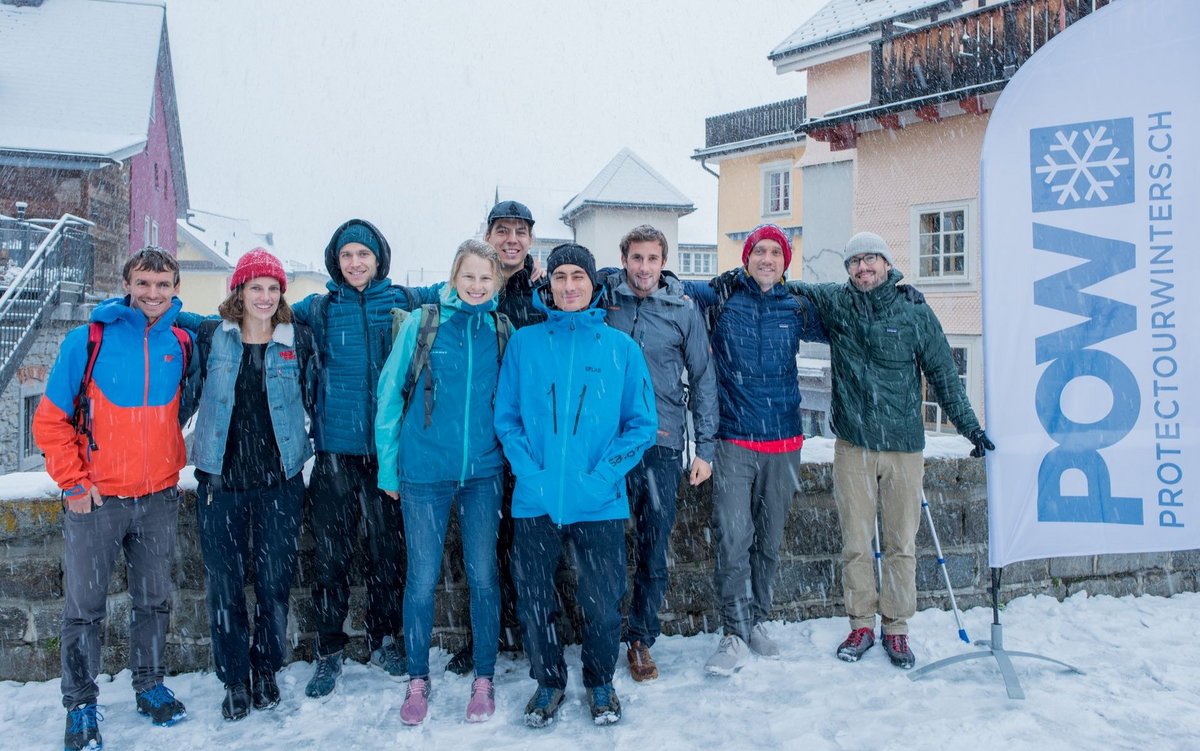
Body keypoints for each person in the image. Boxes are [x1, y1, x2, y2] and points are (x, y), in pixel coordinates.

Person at [790, 231, 993, 669]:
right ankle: (861, 624)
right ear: (848, 269)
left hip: (903, 447)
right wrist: (740, 279)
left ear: (886, 263)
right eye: (855, 261)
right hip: (853, 446)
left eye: (871, 259)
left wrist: (971, 429)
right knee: (856, 543)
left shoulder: (914, 310)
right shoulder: (836, 302)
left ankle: (897, 628)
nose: (863, 268)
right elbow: (788, 288)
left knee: (901, 543)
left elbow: (943, 374)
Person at [34, 247, 194, 751]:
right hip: (98, 501)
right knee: (84, 609)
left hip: (159, 497)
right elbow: (50, 421)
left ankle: (149, 685)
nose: (152, 293)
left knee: (154, 601)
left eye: (163, 284)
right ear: (127, 285)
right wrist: (75, 484)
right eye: (143, 283)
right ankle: (81, 705)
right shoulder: (88, 340)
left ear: (175, 288)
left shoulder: (181, 342)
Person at [494, 243, 656, 728]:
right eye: (560, 276)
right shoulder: (525, 344)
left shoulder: (620, 348)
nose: (568, 286)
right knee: (534, 601)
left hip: (600, 501)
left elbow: (641, 425)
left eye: (578, 277)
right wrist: (531, 472)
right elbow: (507, 419)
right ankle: (548, 682)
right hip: (535, 499)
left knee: (602, 605)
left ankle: (600, 682)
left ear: (593, 285)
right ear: (549, 284)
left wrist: (602, 476)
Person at [291, 219, 439, 696]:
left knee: (388, 556)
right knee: (330, 558)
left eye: (364, 254)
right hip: (334, 453)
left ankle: (383, 638)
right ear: (336, 261)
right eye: (347, 255)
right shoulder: (318, 308)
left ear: (379, 259)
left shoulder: (404, 301)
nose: (355, 263)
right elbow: (257, 308)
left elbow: (461, 289)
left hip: (387, 455)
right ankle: (329, 649)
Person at [375, 240, 513, 725]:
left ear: (497, 282)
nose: (476, 286)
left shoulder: (501, 330)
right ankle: (417, 678)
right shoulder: (423, 324)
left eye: (485, 278)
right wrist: (388, 469)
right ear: (454, 277)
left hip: (483, 474)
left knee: (483, 576)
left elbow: (513, 404)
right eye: (468, 276)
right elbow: (390, 397)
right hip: (424, 474)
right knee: (421, 579)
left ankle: (484, 677)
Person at [684, 224, 828, 676]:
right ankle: (734, 630)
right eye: (759, 251)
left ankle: (758, 620)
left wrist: (897, 295)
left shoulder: (797, 306)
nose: (767, 259)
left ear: (785, 262)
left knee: (768, 539)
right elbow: (663, 285)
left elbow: (847, 313)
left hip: (784, 440)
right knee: (733, 537)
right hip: (733, 440)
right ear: (746, 258)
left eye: (775, 253)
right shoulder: (722, 297)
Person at [188, 249, 318, 719]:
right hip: (220, 483)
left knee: (273, 584)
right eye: (255, 287)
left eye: (273, 288)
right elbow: (161, 314)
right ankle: (234, 679)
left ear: (282, 294)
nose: (264, 297)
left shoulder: (297, 340)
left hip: (279, 484)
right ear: (238, 291)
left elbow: (317, 398)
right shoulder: (212, 337)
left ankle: (265, 670)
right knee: (224, 587)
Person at [601, 224, 717, 681]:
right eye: (636, 258)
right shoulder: (605, 302)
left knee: (653, 549)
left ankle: (640, 638)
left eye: (652, 259)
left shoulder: (683, 310)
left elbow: (703, 379)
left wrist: (705, 449)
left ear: (664, 262)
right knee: (604, 547)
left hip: (662, 444)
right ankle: (603, 631)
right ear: (624, 260)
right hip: (610, 444)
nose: (644, 268)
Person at [445, 199, 544, 676]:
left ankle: (529, 630)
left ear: (530, 240)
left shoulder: (542, 291)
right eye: (502, 230)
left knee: (528, 542)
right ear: (487, 235)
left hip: (529, 437)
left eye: (520, 231)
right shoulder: (475, 288)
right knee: (483, 549)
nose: (511, 239)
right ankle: (483, 635)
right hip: (480, 438)